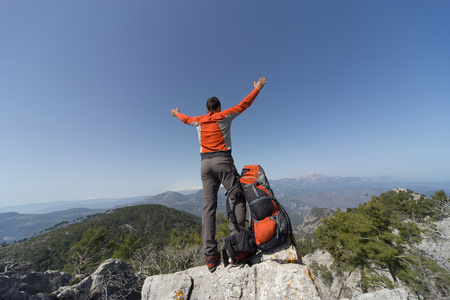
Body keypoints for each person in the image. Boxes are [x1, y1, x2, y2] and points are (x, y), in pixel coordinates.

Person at [170, 77, 267, 272]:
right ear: (218, 107)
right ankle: (239, 244)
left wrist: (176, 113)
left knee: (208, 208)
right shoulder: (224, 116)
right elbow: (243, 105)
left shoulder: (198, 121)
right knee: (238, 197)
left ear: (207, 109)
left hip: (205, 165)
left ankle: (210, 257)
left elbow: (185, 119)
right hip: (223, 161)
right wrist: (256, 89)